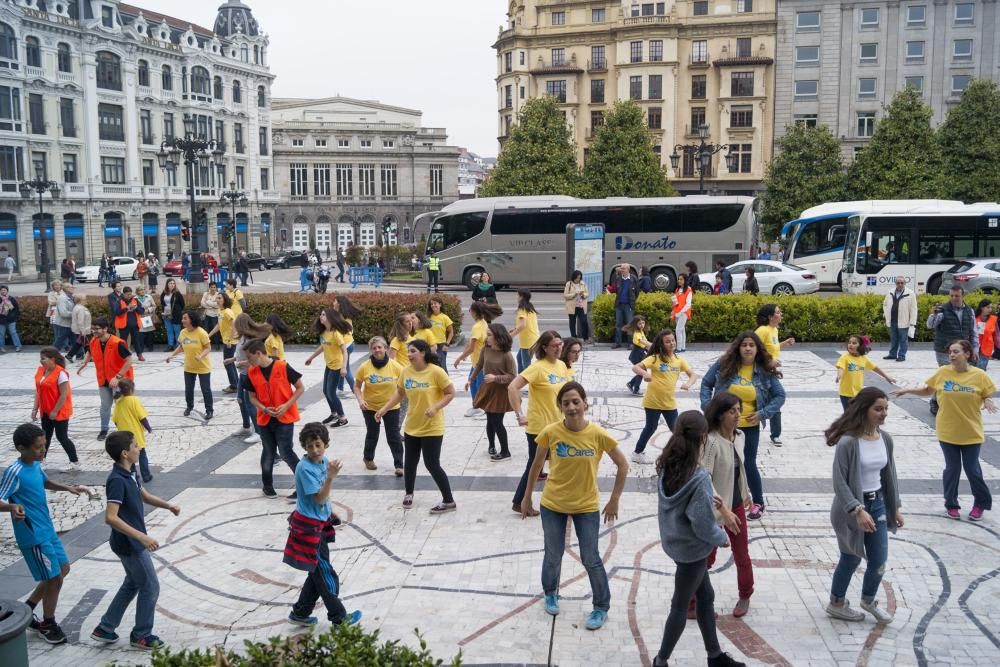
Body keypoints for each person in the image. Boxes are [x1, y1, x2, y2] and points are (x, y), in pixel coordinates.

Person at [520, 382, 629, 632]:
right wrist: (527, 498)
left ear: (585, 403)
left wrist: (614, 499)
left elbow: (623, 465)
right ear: (560, 407)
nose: (571, 407)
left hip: (586, 505)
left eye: (575, 401)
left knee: (591, 557)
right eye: (566, 403)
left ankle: (601, 606)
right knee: (553, 553)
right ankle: (550, 592)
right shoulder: (550, 432)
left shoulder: (598, 434)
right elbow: (535, 467)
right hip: (553, 504)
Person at [651, 411, 744, 667]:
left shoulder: (667, 463)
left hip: (676, 541)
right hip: (692, 549)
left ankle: (715, 656)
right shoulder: (698, 476)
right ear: (702, 438)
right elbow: (702, 523)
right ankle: (661, 660)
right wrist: (721, 537)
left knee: (706, 596)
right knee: (680, 606)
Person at [0, 423, 94, 645]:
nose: (43, 450)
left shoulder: (35, 465)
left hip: (47, 530)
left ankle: (29, 608)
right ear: (22, 448)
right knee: (53, 578)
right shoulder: (14, 471)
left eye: (44, 445)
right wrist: (12, 507)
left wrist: (67, 487)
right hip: (32, 536)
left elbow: (44, 482)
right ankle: (47, 623)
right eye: (38, 447)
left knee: (62, 569)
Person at [90, 431, 180, 651]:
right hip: (129, 544)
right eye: (135, 446)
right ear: (124, 453)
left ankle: (105, 627)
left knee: (132, 583)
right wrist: (142, 536)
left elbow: (145, 496)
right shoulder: (116, 481)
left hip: (130, 542)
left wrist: (168, 505)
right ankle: (141, 635)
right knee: (150, 586)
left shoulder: (131, 471)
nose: (139, 448)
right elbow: (110, 517)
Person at [821, 387, 903, 625]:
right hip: (849, 509)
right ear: (864, 410)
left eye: (886, 408)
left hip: (877, 504)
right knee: (852, 557)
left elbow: (890, 475)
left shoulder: (885, 439)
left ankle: (868, 600)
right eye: (878, 409)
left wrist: (894, 506)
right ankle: (836, 603)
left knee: (879, 558)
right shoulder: (848, 442)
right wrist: (857, 509)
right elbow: (839, 482)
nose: (884, 413)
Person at [892, 339, 995, 521]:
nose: (952, 355)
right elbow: (927, 391)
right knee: (952, 469)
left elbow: (987, 393)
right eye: (950, 352)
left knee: (972, 469)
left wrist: (988, 400)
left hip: (971, 431)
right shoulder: (943, 372)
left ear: (967, 354)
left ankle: (980, 503)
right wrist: (908, 390)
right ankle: (951, 504)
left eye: (956, 352)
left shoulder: (979, 375)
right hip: (947, 430)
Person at [283, 422, 362, 628]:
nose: (315, 450)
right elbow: (318, 497)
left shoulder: (323, 462)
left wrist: (330, 513)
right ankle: (339, 617)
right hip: (308, 529)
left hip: (319, 525)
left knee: (315, 572)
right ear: (304, 448)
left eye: (318, 445)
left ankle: (300, 613)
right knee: (324, 573)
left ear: (325, 444)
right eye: (310, 446)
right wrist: (330, 477)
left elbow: (322, 502)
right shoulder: (304, 468)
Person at [701, 331, 786, 520]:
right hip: (721, 426)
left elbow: (780, 395)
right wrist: (708, 407)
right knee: (717, 463)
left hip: (749, 426)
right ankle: (717, 500)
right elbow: (706, 384)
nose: (748, 348)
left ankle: (758, 502)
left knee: (748, 463)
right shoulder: (724, 365)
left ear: (757, 349)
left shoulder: (764, 370)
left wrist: (763, 414)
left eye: (752, 345)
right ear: (738, 348)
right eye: (744, 345)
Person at [375, 339, 457, 514]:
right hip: (412, 425)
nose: (409, 354)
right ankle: (409, 493)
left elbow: (451, 393)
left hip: (432, 427)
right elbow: (399, 393)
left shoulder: (436, 372)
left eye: (412, 351)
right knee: (410, 463)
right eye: (408, 351)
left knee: (432, 464)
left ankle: (449, 500)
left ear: (422, 353)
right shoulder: (406, 372)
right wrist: (383, 409)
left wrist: (435, 407)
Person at [699, 393, 754, 619]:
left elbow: (741, 467)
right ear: (720, 415)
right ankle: (695, 602)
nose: (737, 415)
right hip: (716, 510)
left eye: (739, 410)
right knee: (706, 558)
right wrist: (723, 511)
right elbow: (705, 480)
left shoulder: (739, 436)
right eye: (732, 411)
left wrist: (746, 492)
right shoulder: (710, 442)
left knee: (741, 553)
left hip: (737, 504)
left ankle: (745, 594)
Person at [508, 330, 572, 514]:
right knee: (535, 466)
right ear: (544, 348)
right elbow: (512, 387)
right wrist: (519, 413)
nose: (559, 348)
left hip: (559, 425)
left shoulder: (561, 365)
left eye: (560, 344)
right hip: (540, 427)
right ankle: (520, 501)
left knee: (561, 463)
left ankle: (559, 500)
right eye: (554, 345)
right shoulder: (537, 367)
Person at [245, 339, 304, 498]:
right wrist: (264, 408)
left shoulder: (283, 366)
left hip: (285, 417)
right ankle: (267, 485)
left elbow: (300, 387)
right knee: (268, 450)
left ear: (259, 354)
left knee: (285, 451)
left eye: (249, 357)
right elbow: (251, 397)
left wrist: (286, 405)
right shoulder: (252, 372)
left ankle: (304, 485)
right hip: (265, 418)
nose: (248, 361)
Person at [631, 329, 699, 464]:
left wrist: (688, 383)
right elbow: (636, 367)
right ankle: (637, 453)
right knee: (651, 427)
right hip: (653, 401)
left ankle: (681, 454)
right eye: (667, 342)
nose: (671, 343)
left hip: (669, 402)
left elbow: (693, 375)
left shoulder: (679, 360)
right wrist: (645, 374)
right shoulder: (654, 358)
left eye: (673, 340)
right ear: (662, 344)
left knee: (676, 430)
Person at [354, 337, 404, 475]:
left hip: (391, 407)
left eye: (379, 347)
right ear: (371, 350)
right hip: (370, 407)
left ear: (386, 349)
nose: (377, 350)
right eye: (374, 348)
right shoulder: (364, 367)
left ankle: (399, 465)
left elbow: (403, 387)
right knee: (372, 434)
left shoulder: (396, 366)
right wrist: (360, 400)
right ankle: (368, 458)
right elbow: (357, 386)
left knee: (393, 435)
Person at [79, 317, 134, 440]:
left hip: (120, 381)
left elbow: (129, 360)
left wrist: (118, 377)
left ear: (105, 329)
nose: (94, 331)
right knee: (105, 405)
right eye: (92, 329)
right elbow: (89, 351)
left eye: (97, 329)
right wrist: (85, 361)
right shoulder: (94, 340)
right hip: (103, 379)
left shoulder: (117, 343)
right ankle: (104, 430)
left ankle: (125, 430)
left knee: (121, 405)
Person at [926, 286, 977, 415]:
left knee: (958, 377)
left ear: (962, 296)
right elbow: (930, 325)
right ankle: (935, 401)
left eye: (957, 296)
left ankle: (951, 401)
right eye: (952, 295)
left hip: (962, 350)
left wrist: (975, 349)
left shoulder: (969, 311)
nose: (954, 298)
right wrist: (934, 314)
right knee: (947, 375)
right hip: (944, 350)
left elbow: (973, 331)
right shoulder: (943, 309)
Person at [469, 323, 516, 460]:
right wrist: (471, 379)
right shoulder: (486, 349)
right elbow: (479, 364)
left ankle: (505, 451)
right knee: (490, 420)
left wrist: (496, 378)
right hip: (487, 389)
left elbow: (513, 376)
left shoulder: (507, 355)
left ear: (498, 337)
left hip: (500, 392)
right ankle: (491, 445)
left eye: (489, 335)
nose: (486, 337)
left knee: (496, 421)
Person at [454, 302, 503, 418]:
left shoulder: (477, 326)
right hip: (478, 361)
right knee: (473, 384)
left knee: (478, 386)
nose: (469, 312)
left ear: (474, 312)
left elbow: (472, 347)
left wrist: (459, 358)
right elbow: (471, 343)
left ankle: (481, 408)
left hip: (481, 362)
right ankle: (477, 406)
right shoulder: (483, 323)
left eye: (470, 310)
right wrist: (464, 354)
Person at [304, 308, 351, 427]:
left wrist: (344, 367)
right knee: (326, 391)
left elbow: (345, 352)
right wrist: (311, 358)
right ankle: (334, 413)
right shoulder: (324, 332)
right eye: (320, 314)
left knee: (331, 393)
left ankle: (342, 418)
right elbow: (323, 347)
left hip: (337, 366)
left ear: (330, 317)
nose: (321, 316)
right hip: (329, 365)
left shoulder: (336, 333)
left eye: (324, 314)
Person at [755, 304, 794, 445]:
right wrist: (770, 361)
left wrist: (785, 343)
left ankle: (775, 433)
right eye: (778, 312)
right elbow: (755, 350)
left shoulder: (774, 330)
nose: (781, 314)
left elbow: (772, 347)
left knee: (777, 398)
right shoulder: (762, 330)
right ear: (770, 317)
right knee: (777, 397)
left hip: (771, 371)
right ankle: (759, 421)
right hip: (760, 372)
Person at [32, 347, 78, 467]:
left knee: (62, 437)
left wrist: (55, 411)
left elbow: (64, 395)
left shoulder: (61, 373)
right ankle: (41, 460)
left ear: (52, 359)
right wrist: (35, 408)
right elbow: (38, 391)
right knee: (44, 437)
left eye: (44, 359)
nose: (41, 361)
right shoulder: (41, 371)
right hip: (45, 410)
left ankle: (74, 462)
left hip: (59, 411)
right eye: (40, 359)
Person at [164, 310, 213, 420]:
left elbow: (208, 347)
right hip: (189, 366)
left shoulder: (201, 332)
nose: (182, 320)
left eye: (185, 318)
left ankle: (209, 410)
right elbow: (181, 346)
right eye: (182, 318)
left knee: (206, 389)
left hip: (203, 366)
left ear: (192, 320)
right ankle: (189, 407)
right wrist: (171, 356)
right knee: (188, 389)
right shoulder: (183, 332)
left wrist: (201, 356)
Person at [232, 314, 273, 445]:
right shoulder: (242, 338)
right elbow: (240, 355)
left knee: (250, 404)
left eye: (236, 324)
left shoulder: (251, 341)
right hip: (242, 374)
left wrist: (241, 363)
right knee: (240, 401)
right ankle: (246, 426)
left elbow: (255, 361)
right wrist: (233, 360)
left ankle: (259, 432)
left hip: (249, 375)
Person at [836, 336, 896, 411]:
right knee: (849, 414)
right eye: (849, 343)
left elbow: (875, 368)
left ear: (860, 346)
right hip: (846, 393)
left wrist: (887, 377)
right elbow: (841, 367)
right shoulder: (845, 357)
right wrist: (839, 375)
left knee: (857, 413)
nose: (850, 345)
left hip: (858, 393)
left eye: (854, 343)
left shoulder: (863, 359)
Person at [112, 379, 154, 482]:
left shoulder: (118, 402)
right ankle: (146, 475)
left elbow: (115, 419)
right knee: (142, 454)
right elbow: (142, 417)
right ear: (131, 389)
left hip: (123, 435)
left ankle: (133, 476)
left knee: (129, 458)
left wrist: (120, 428)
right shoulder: (134, 400)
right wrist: (148, 427)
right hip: (136, 435)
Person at [204, 293, 239, 393]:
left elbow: (234, 325)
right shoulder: (220, 311)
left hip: (230, 342)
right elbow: (218, 326)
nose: (217, 300)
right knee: (229, 362)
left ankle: (234, 386)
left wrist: (229, 339)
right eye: (217, 298)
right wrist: (208, 335)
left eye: (220, 298)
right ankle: (236, 384)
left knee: (227, 363)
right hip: (227, 341)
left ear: (224, 300)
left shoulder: (228, 312)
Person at [882, 277, 917, 362]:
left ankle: (901, 355)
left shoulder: (910, 293)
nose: (900, 284)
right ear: (895, 283)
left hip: (904, 320)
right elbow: (885, 304)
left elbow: (914, 309)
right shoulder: (890, 292)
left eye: (902, 283)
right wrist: (886, 313)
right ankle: (892, 354)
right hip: (892, 320)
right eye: (898, 283)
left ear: (905, 283)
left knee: (903, 339)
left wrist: (912, 322)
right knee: (893, 338)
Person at [334, 295, 362, 396]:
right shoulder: (345, 315)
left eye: (335, 301)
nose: (333, 303)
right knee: (343, 367)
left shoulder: (339, 316)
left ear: (339, 304)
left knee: (345, 369)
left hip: (345, 345)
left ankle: (355, 390)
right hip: (349, 343)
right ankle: (340, 388)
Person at [110, 285, 146, 361]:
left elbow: (142, 311)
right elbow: (117, 312)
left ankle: (139, 355)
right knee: (123, 341)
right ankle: (123, 356)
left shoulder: (135, 300)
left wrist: (136, 308)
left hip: (135, 324)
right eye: (128, 294)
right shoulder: (119, 301)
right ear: (124, 294)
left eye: (130, 294)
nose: (129, 296)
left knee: (137, 340)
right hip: (124, 326)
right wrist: (126, 308)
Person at [510, 289, 540, 374]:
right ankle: (520, 376)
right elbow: (525, 323)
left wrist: (511, 335)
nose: (517, 297)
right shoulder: (529, 307)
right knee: (519, 358)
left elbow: (523, 325)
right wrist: (515, 328)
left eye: (517, 295)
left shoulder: (522, 309)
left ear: (521, 297)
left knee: (526, 365)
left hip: (528, 341)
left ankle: (525, 381)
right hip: (533, 338)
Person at [611, 264, 638, 349]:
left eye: (624, 268)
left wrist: (632, 301)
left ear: (628, 269)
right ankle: (617, 342)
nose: (622, 270)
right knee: (618, 324)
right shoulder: (618, 278)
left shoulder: (633, 279)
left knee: (630, 325)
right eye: (621, 268)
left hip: (628, 305)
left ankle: (630, 343)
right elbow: (615, 289)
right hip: (619, 305)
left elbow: (637, 292)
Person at [623, 316, 651, 396]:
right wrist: (652, 345)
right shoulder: (637, 333)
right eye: (639, 323)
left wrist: (650, 349)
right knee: (642, 372)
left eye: (643, 323)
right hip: (636, 354)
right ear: (636, 324)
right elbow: (643, 342)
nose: (642, 325)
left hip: (640, 353)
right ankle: (635, 390)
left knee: (642, 372)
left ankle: (631, 384)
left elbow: (645, 342)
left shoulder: (641, 331)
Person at [159, 279, 185, 352]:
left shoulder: (177, 293)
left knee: (177, 330)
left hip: (176, 315)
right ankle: (170, 345)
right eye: (170, 283)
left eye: (173, 283)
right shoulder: (164, 293)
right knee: (169, 330)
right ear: (167, 284)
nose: (172, 284)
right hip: (166, 314)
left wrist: (177, 310)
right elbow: (161, 301)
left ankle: (178, 346)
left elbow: (182, 304)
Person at [427, 297, 454, 368]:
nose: (433, 305)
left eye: (435, 303)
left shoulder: (445, 317)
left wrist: (447, 344)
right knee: (431, 366)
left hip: (441, 345)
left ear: (440, 305)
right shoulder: (427, 317)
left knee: (442, 366)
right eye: (431, 304)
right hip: (430, 345)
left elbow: (451, 332)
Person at [564, 270, 590, 340]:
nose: (578, 279)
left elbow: (587, 293)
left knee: (584, 321)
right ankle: (574, 337)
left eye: (579, 278)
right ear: (574, 277)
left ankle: (585, 337)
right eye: (577, 278)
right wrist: (574, 294)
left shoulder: (583, 283)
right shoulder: (569, 284)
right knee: (572, 322)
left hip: (581, 306)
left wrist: (583, 294)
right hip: (572, 306)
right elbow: (565, 295)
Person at [672, 274, 693, 353]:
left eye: (681, 279)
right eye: (678, 279)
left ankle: (679, 348)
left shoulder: (688, 290)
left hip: (684, 312)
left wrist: (681, 312)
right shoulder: (677, 289)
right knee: (682, 330)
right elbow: (676, 301)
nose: (679, 281)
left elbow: (688, 304)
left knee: (678, 330)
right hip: (677, 312)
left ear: (685, 280)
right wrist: (674, 310)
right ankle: (683, 347)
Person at [67, 293, 91, 363]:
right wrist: (83, 332)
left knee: (80, 343)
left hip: (80, 329)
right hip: (82, 330)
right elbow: (80, 321)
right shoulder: (80, 309)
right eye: (84, 299)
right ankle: (88, 357)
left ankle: (69, 355)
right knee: (86, 344)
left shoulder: (78, 307)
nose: (86, 300)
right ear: (80, 300)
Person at [973, 299, 996, 370]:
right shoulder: (974, 317)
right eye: (988, 307)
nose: (990, 309)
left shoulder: (994, 319)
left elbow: (996, 334)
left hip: (987, 346)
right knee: (973, 368)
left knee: (981, 368)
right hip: (974, 345)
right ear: (982, 307)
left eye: (991, 307)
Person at [200, 282, 223, 348]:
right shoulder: (206, 294)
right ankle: (206, 344)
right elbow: (202, 303)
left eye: (214, 287)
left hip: (215, 315)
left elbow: (218, 305)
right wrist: (211, 305)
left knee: (215, 331)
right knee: (205, 330)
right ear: (209, 288)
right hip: (207, 314)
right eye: (211, 287)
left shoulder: (218, 294)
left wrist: (208, 302)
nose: (213, 289)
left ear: (216, 288)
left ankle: (217, 345)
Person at [0, 284, 21, 353]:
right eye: (2, 290)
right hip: (1, 320)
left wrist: (13, 316)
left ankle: (18, 346)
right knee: (1, 334)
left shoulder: (11, 298)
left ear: (7, 291)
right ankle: (1, 347)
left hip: (11, 320)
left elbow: (16, 308)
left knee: (13, 332)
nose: (3, 291)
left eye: (4, 290)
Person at [135, 286, 157, 353]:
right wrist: (140, 310)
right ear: (137, 291)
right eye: (141, 290)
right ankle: (141, 348)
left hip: (148, 317)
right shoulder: (135, 298)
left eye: (143, 289)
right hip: (139, 317)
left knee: (149, 333)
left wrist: (149, 310)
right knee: (140, 333)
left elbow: (154, 306)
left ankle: (150, 347)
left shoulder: (149, 296)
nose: (142, 291)